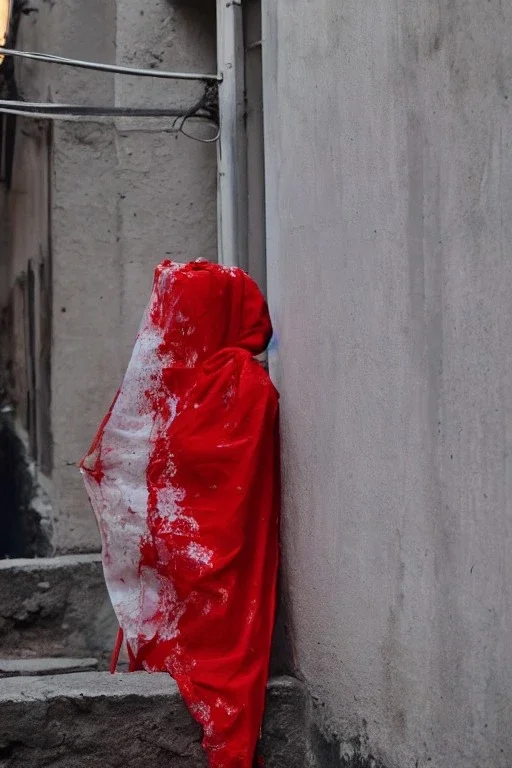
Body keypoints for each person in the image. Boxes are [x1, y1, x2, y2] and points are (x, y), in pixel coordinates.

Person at [80, 259, 280, 768]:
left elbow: (227, 486)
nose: (166, 322)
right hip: (185, 559)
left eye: (181, 310)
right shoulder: (185, 380)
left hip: (216, 563)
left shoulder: (240, 386)